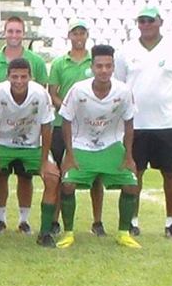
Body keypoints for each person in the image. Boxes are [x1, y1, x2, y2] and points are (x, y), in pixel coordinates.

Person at [115, 6, 172, 239]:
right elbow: (119, 85)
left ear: (160, 22)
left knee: (171, 172)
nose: (146, 24)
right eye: (142, 20)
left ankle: (171, 221)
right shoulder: (125, 50)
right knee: (134, 172)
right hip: (135, 124)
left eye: (150, 20)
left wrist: (168, 100)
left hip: (167, 124)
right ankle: (132, 220)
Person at [58, 44, 141, 249]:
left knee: (132, 183)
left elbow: (130, 124)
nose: (104, 70)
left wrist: (128, 155)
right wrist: (69, 154)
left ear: (113, 67)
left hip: (111, 144)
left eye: (108, 66)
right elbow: (66, 121)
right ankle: (68, 232)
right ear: (92, 67)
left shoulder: (123, 91)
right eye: (99, 66)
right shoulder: (79, 90)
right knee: (67, 184)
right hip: (81, 145)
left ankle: (123, 233)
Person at [0, 58, 59, 248]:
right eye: (14, 76)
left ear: (30, 77)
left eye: (23, 76)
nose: (19, 81)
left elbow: (47, 127)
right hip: (3, 143)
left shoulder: (40, 94)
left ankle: (45, 232)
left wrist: (44, 162)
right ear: (8, 76)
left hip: (32, 145)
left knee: (52, 177)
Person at [0, 16, 49, 235]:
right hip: (3, 136)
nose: (14, 35)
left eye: (18, 31)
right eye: (10, 31)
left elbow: (42, 111)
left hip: (29, 138)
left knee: (26, 177)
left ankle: (24, 220)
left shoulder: (36, 63)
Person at [48, 18, 105, 236]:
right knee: (61, 175)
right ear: (69, 36)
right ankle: (55, 220)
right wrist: (69, 108)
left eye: (82, 33)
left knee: (96, 174)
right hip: (63, 125)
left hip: (92, 127)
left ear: (87, 35)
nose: (78, 37)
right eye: (75, 33)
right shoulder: (60, 63)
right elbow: (53, 93)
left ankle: (97, 221)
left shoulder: (96, 61)